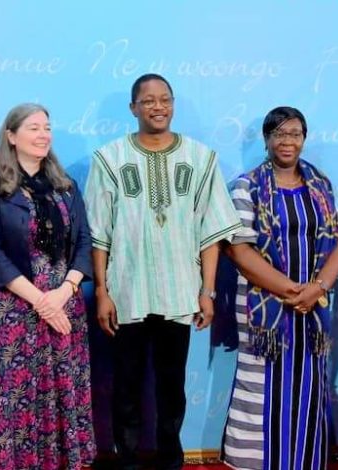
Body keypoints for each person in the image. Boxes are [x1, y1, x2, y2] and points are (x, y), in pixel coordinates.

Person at [84, 73, 242, 469]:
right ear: (133, 107)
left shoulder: (200, 158)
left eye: (165, 99)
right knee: (126, 385)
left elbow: (211, 233)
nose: (158, 107)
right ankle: (129, 460)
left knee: (172, 386)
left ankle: (171, 459)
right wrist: (102, 291)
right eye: (149, 100)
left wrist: (206, 291)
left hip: (180, 292)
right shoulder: (110, 158)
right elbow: (99, 233)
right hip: (127, 292)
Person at [0, 103, 96, 469]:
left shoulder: (66, 185)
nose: (43, 134)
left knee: (61, 392)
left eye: (47, 127)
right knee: (13, 397)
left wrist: (65, 291)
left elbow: (85, 242)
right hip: (13, 311)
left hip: (64, 304)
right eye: (33, 128)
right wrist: (42, 301)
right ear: (11, 136)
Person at [222, 106, 338, 469]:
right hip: (267, 313)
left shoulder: (321, 186)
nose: (287, 141)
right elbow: (239, 250)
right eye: (280, 134)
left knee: (309, 385)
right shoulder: (246, 187)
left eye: (295, 134)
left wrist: (317, 288)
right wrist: (293, 291)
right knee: (260, 385)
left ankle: (305, 461)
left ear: (304, 139)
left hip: (314, 309)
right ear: (267, 139)